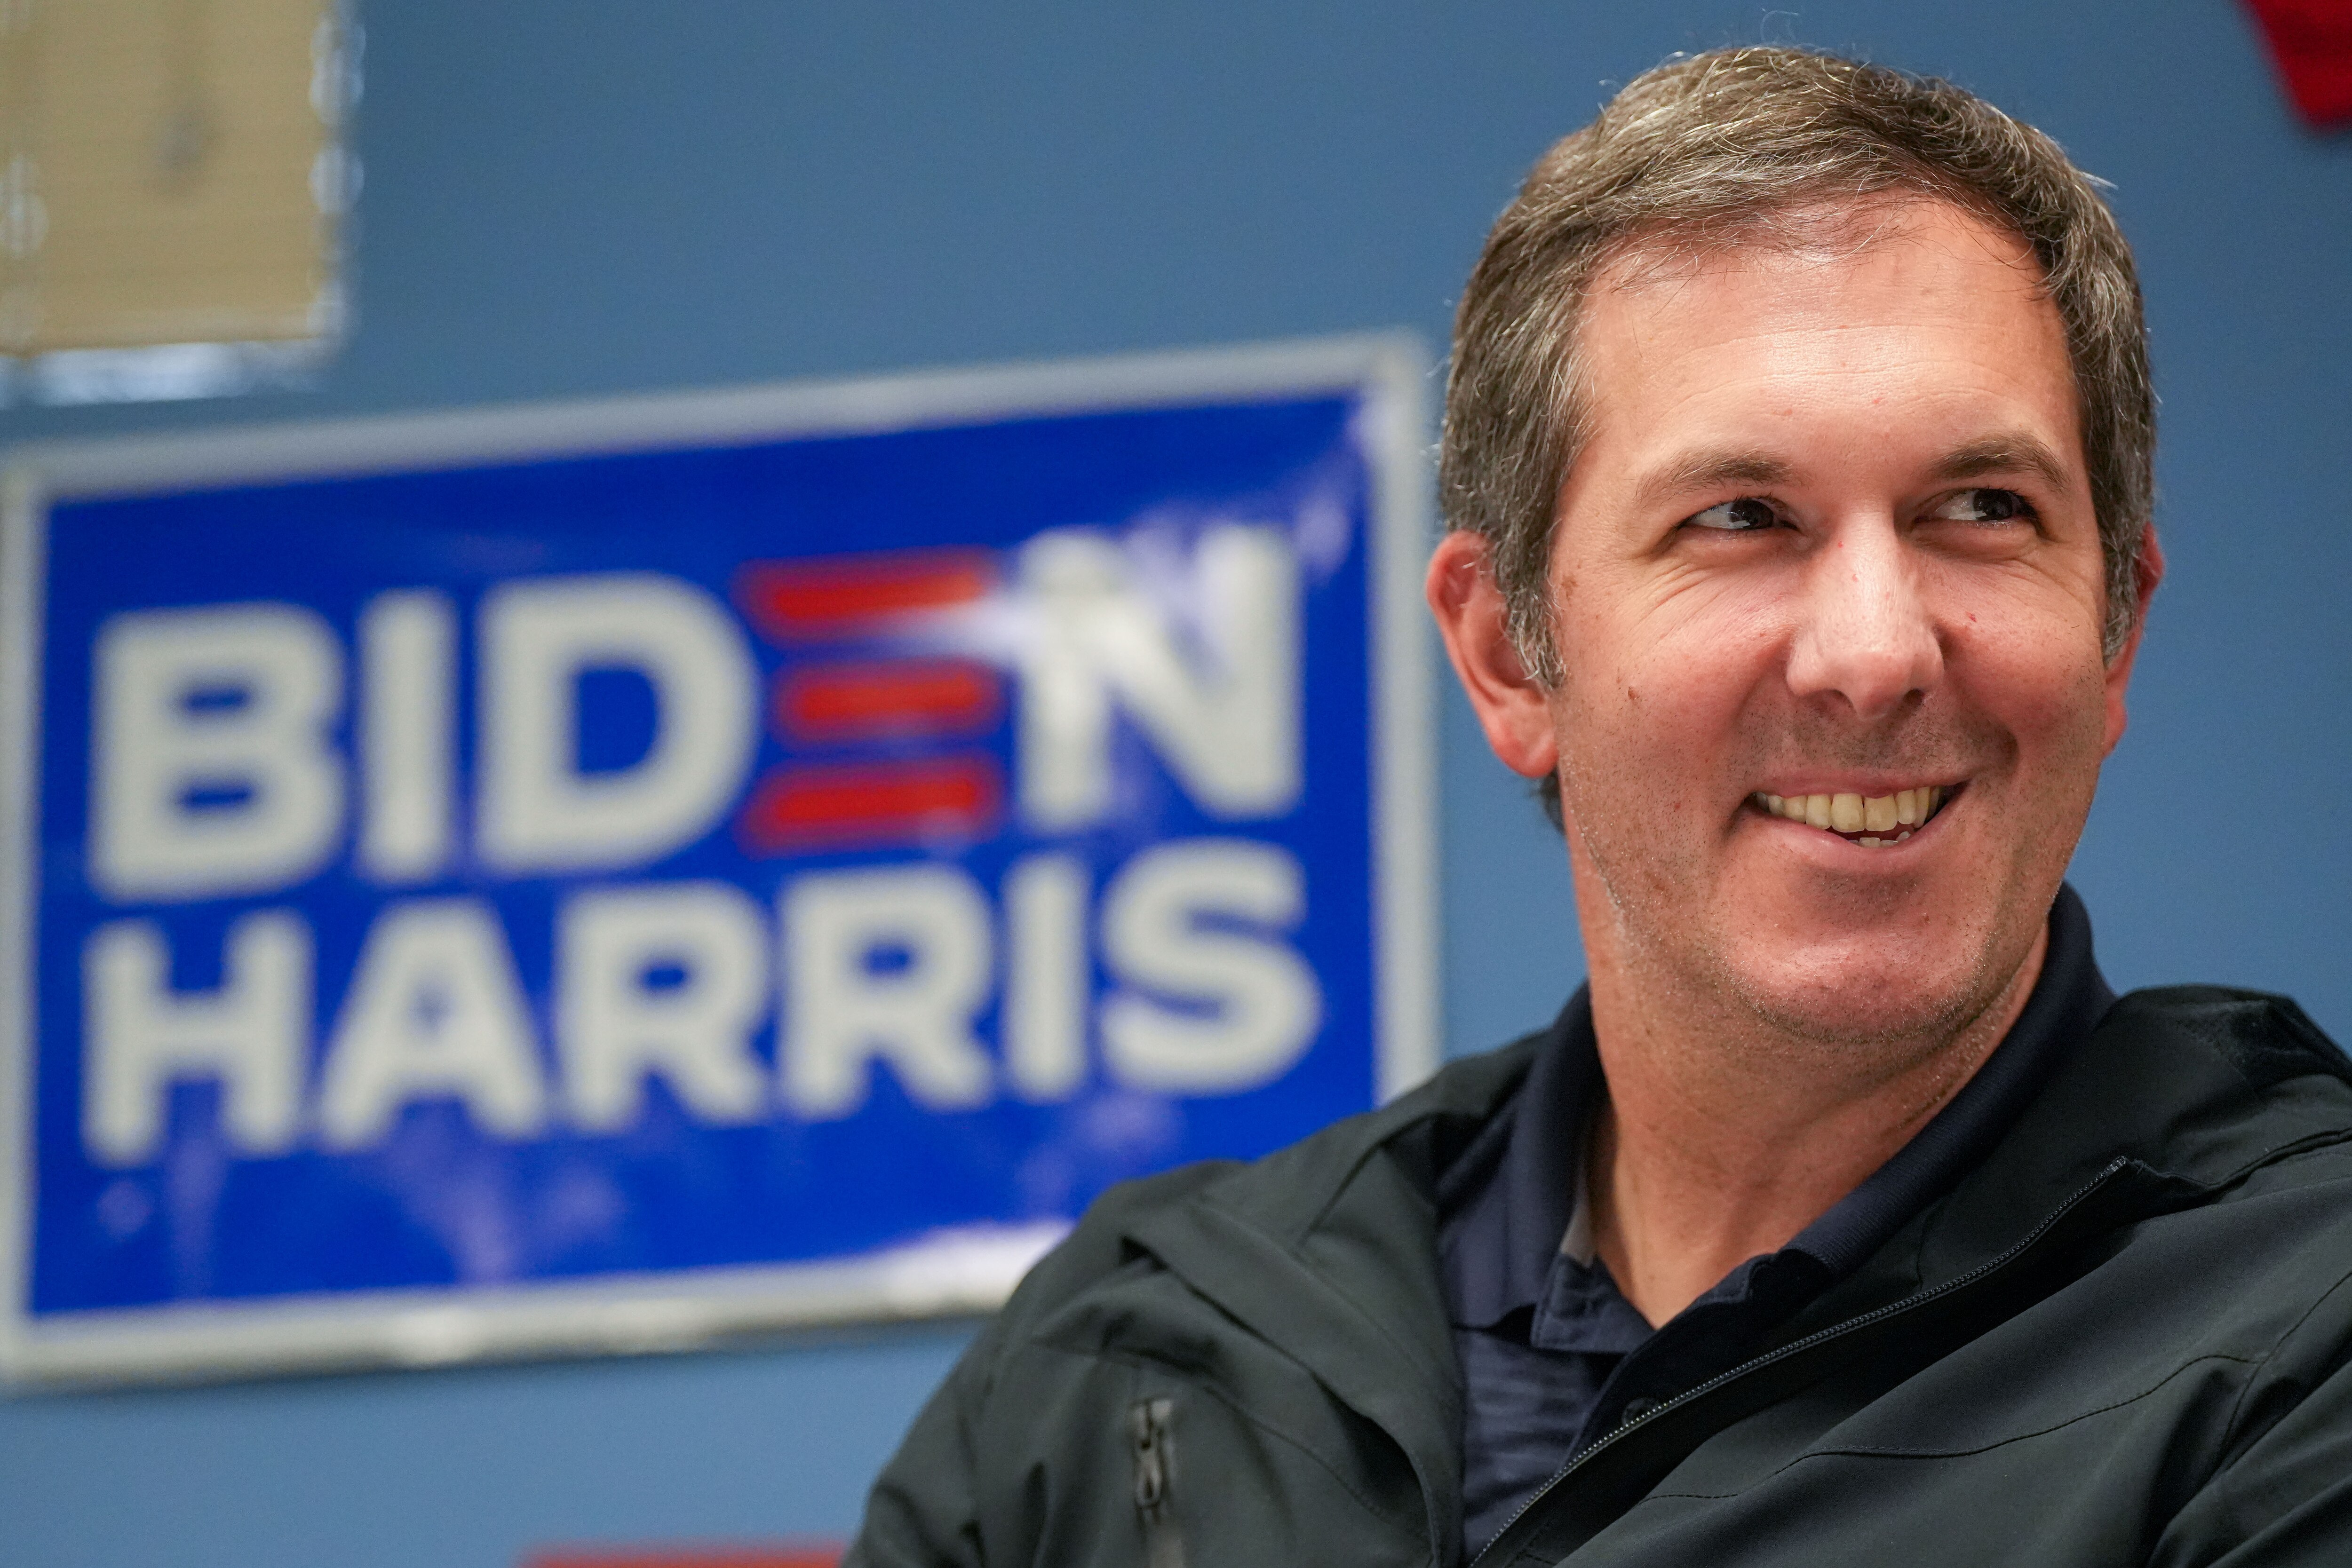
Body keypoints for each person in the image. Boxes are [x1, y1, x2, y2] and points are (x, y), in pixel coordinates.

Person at [845, 47, 2352, 1568]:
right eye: (1740, 520)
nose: (1876, 653)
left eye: (1981, 512)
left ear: (2116, 637)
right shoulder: (1128, 1365)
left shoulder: (2305, 1327)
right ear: (1511, 658)